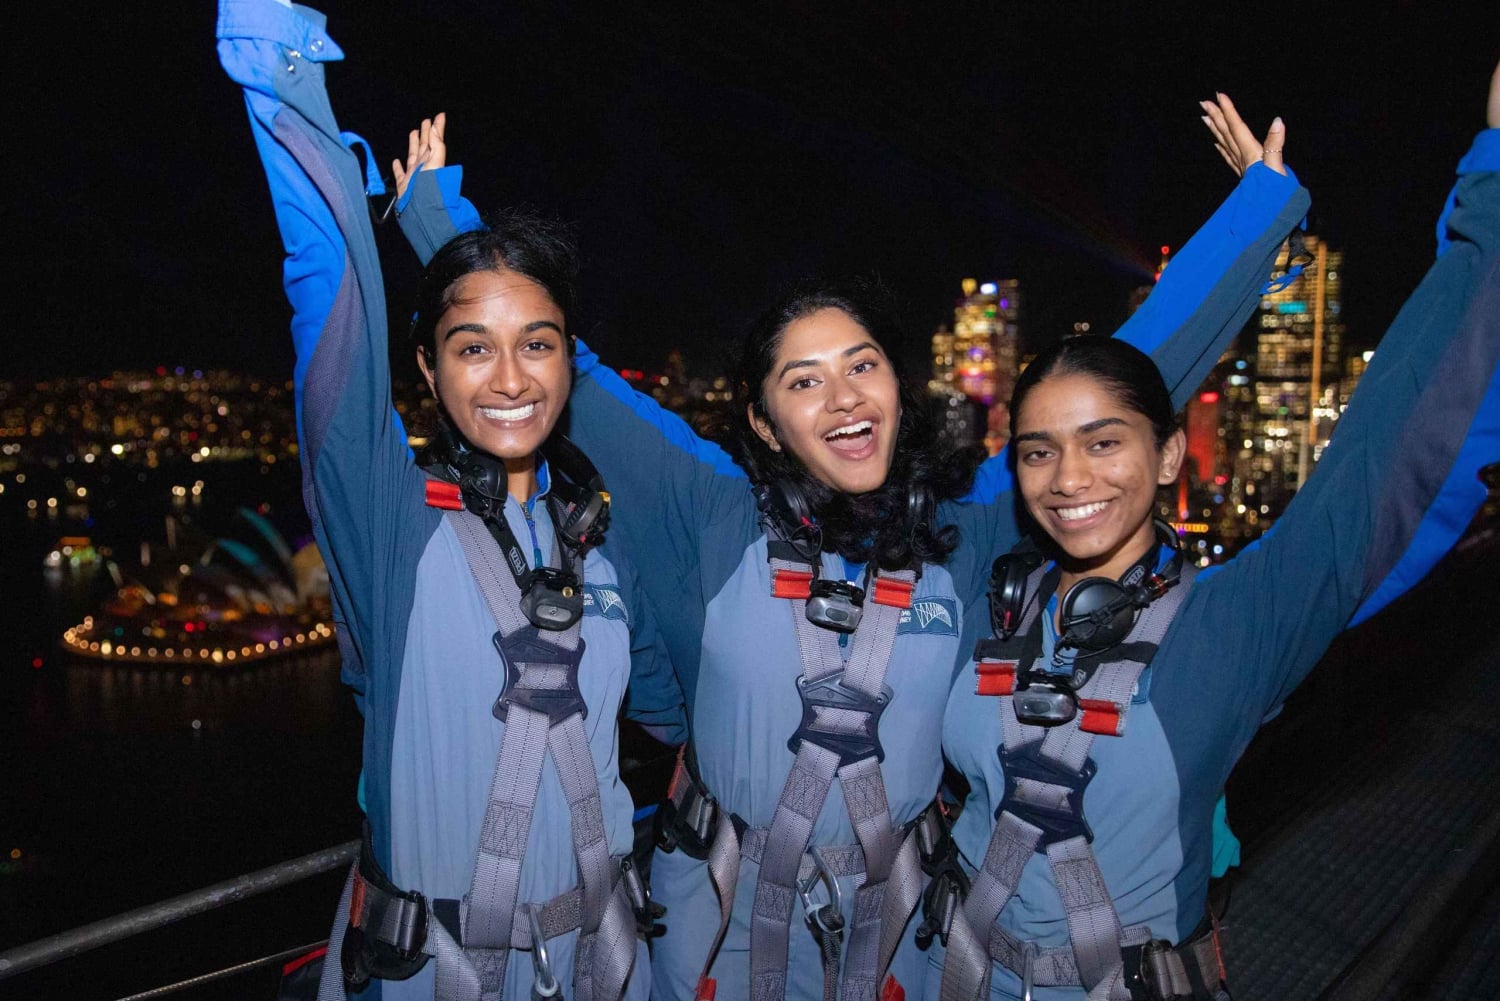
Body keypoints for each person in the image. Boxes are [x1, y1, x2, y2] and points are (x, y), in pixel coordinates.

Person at [391, 95, 1309, 1001]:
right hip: (718, 926)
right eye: (805, 380)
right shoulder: (714, 513)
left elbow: (1132, 374)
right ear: (764, 418)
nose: (843, 398)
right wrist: (440, 220)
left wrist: (1258, 218)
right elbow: (560, 366)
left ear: (897, 388)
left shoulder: (970, 524)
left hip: (897, 937)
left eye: (862, 366)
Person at [930, 66, 1500, 1001]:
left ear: (1166, 459)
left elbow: (1385, 458)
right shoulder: (988, 594)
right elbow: (1133, 361)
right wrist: (1254, 219)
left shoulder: (1233, 626)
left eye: (1105, 443)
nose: (1070, 477)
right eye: (1038, 451)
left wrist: (1495, 175)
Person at [216, 2, 682, 999]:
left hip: (605, 966)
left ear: (570, 363)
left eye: (538, 342)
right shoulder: (393, 520)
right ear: (428, 370)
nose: (509, 375)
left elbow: (668, 709)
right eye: (473, 345)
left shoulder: (605, 546)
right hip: (429, 974)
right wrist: (280, 57)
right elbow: (328, 290)